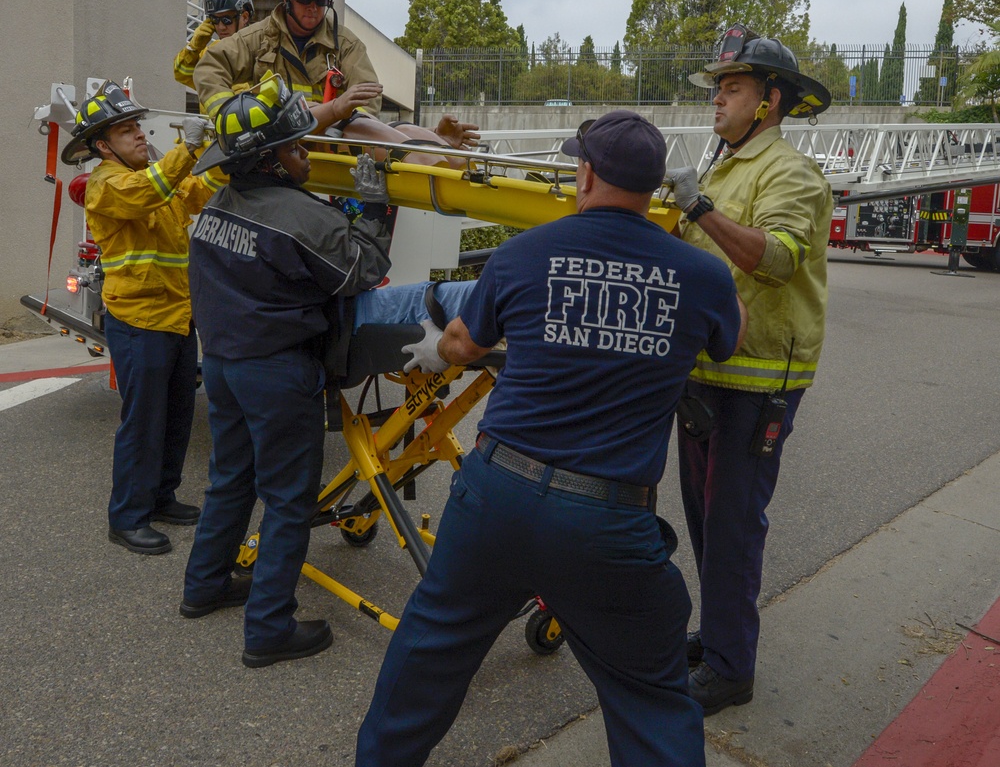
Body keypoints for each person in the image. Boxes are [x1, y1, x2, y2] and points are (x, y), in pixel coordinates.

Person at [355, 110, 747, 767]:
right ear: (654, 186)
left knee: (428, 656)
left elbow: (462, 343)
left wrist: (436, 346)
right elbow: (726, 340)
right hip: (609, 521)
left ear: (586, 173)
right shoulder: (702, 276)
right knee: (650, 698)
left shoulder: (522, 254)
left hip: (498, 495)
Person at [180, 76, 398, 667]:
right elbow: (362, 270)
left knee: (231, 478)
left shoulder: (215, 207)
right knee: (287, 499)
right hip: (276, 372)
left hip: (223, 364)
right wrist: (376, 206)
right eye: (297, 147)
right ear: (269, 162)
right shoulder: (302, 218)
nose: (306, 153)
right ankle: (269, 628)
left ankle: (203, 586)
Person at [666, 24, 834, 715]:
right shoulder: (724, 165)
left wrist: (699, 208)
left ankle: (733, 668)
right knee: (707, 519)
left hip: (759, 379)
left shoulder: (787, 172)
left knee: (733, 522)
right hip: (709, 372)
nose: (718, 100)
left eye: (730, 88)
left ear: (769, 101)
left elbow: (780, 257)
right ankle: (720, 632)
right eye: (719, 89)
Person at [61, 81, 217, 555]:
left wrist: (217, 151)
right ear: (102, 145)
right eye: (125, 131)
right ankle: (127, 516)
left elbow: (195, 194)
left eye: (137, 127)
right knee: (143, 421)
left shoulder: (154, 174)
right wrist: (185, 149)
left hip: (175, 316)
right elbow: (150, 191)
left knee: (174, 417)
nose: (138, 136)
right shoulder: (109, 184)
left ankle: (161, 497)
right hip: (139, 320)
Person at [193, 0, 479, 165]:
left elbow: (365, 113)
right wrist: (230, 120)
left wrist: (429, 137)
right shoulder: (258, 39)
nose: (313, 9)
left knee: (385, 128)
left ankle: (437, 146)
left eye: (321, 1)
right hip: (276, 152)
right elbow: (209, 68)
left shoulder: (345, 44)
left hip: (330, 151)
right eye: (305, 0)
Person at [173, 0, 255, 90]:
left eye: (227, 19)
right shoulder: (210, 52)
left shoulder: (259, 51)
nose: (221, 27)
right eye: (215, 20)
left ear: (244, 17)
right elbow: (181, 74)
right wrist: (193, 48)